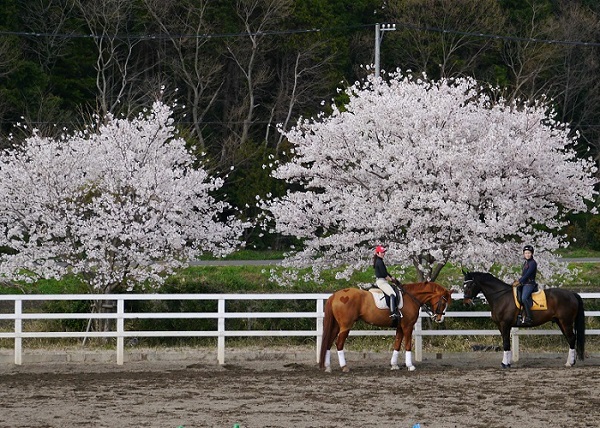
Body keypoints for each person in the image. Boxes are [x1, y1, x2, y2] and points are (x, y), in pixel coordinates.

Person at [373, 245, 402, 319]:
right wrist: (392, 280)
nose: (383, 254)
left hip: (383, 281)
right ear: (377, 253)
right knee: (392, 294)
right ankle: (393, 313)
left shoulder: (380, 261)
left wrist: (392, 277)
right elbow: (384, 274)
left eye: (383, 252)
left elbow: (386, 272)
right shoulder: (379, 262)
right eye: (382, 252)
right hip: (381, 281)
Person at [512, 245, 538, 326]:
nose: (527, 254)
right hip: (524, 284)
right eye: (526, 253)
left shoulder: (533, 263)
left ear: (532, 254)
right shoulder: (526, 263)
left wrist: (519, 281)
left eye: (529, 253)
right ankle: (520, 315)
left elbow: (527, 275)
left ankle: (529, 317)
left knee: (524, 298)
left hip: (529, 284)